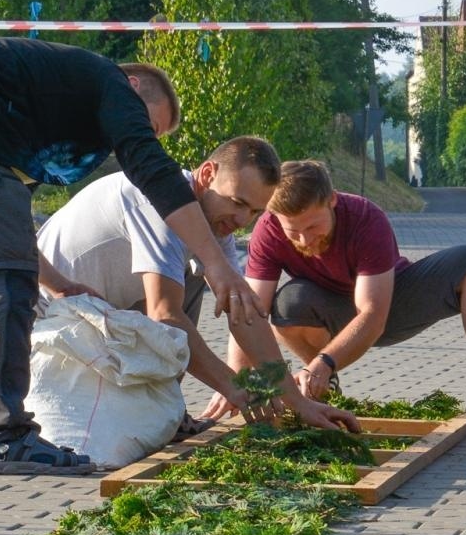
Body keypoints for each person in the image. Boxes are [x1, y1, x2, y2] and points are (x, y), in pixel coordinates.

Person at [0, 39, 264, 476]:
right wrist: (216, 264)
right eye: (148, 125)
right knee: (3, 281)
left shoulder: (39, 123)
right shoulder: (111, 85)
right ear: (133, 86)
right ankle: (4, 435)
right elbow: (150, 167)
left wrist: (56, 282)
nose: (140, 136)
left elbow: (11, 230)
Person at [35, 136, 358, 432]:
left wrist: (297, 402)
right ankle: (159, 413)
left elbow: (244, 312)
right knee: (172, 298)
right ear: (207, 175)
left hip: (101, 315)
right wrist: (235, 386)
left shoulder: (215, 224)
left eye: (254, 211)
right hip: (45, 316)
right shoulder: (157, 200)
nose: (242, 221)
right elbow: (165, 316)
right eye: (237, 202)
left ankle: (164, 412)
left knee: (192, 281)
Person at [225, 160, 466, 424]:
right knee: (290, 302)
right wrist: (236, 382)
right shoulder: (269, 230)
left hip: (391, 305)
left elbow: (372, 314)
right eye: (294, 232)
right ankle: (322, 385)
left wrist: (325, 362)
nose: (305, 239)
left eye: (313, 226)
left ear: (331, 200)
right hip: (331, 310)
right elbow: (249, 309)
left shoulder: (365, 218)